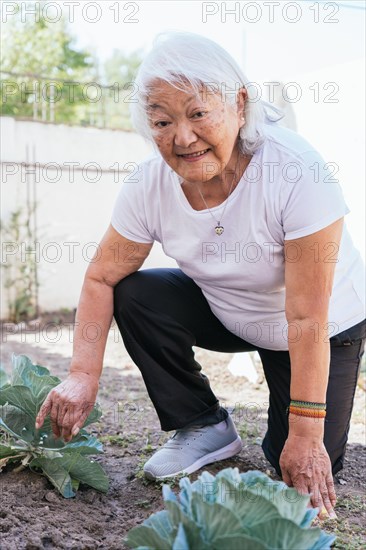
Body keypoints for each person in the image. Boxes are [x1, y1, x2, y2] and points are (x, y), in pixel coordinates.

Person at [36, 32, 365, 520]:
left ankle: (293, 435)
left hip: (319, 329)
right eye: (162, 121)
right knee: (138, 291)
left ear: (239, 103)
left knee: (291, 462)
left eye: (197, 113)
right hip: (229, 311)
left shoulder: (297, 172)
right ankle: (203, 423)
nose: (182, 138)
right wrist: (83, 375)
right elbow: (101, 277)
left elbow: (306, 317)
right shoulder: (149, 183)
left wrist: (305, 435)